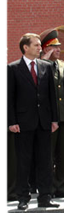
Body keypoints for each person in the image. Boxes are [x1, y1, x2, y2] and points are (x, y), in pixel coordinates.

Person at [6, 33, 59, 210]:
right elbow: (9, 98)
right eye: (36, 45)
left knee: (45, 160)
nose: (40, 48)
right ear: (25, 47)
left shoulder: (46, 66)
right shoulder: (13, 69)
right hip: (23, 123)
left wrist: (54, 119)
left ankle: (45, 196)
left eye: (39, 45)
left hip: (44, 121)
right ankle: (23, 197)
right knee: (24, 161)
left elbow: (53, 96)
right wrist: (11, 121)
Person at [40, 30, 64, 198]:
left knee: (63, 154)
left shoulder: (63, 65)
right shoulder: (40, 65)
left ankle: (62, 188)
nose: (59, 50)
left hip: (63, 115)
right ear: (46, 48)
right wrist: (43, 61)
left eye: (59, 47)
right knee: (48, 155)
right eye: (55, 47)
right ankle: (48, 189)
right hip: (47, 117)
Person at [5, 45, 17, 202]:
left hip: (9, 122)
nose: (6, 55)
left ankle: (11, 191)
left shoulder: (9, 71)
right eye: (3, 53)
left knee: (11, 159)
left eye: (7, 53)